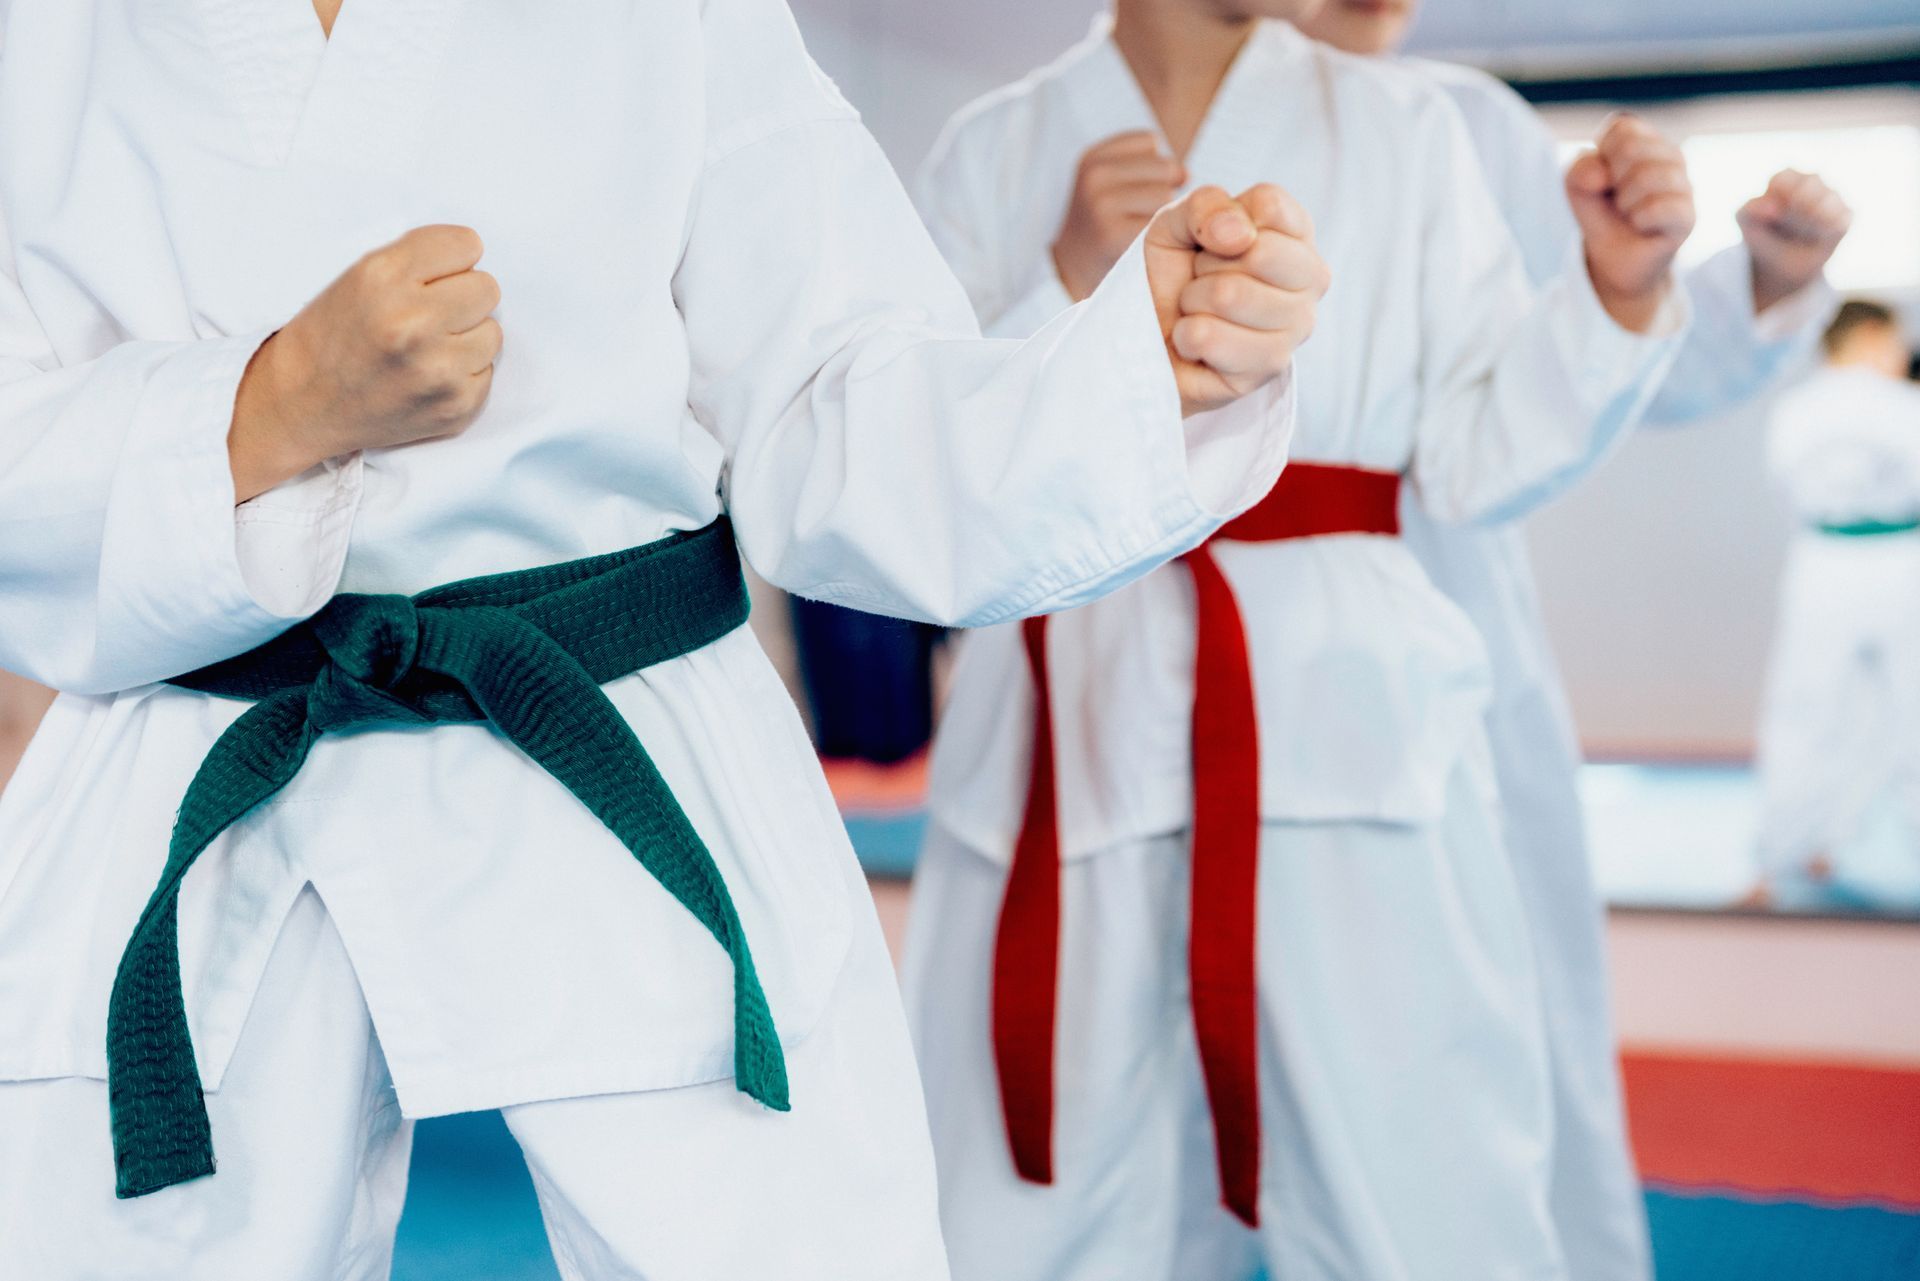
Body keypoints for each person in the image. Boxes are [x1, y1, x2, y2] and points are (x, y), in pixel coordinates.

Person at [0, 0, 1326, 1275]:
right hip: (185, 778)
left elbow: (838, 399)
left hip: (624, 731)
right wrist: (270, 409)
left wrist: (1128, 375)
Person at [901, 2, 1699, 1277]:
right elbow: (921, 474)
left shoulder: (1404, 126)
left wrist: (1614, 290)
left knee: (1423, 1196)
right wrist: (1060, 285)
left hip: (1345, 734)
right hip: (1063, 731)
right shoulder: (992, 148)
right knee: (1025, 1216)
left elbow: (1479, 458)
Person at [1281, 6, 1851, 1278]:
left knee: (1497, 1009)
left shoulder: (1470, 128)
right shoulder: (1091, 124)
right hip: (1155, 647)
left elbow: (1606, 347)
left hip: (1432, 608)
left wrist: (1755, 283)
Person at [1751, 301, 1920, 909]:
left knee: (1805, 708)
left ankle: (1782, 856)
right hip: (1897, 558)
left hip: (1824, 558)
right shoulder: (1904, 406)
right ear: (1870, 335)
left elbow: (1783, 484)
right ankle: (1810, 844)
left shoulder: (1797, 410)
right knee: (1903, 710)